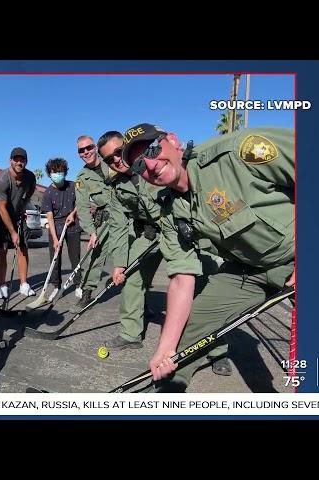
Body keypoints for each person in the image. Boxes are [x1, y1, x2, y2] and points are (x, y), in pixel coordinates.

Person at [121, 123, 295, 391]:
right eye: (140, 165)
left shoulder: (237, 151)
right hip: (247, 270)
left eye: (153, 149)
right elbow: (182, 278)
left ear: (173, 140)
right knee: (184, 339)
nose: (151, 165)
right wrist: (165, 350)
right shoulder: (169, 212)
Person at [98, 131, 165, 350]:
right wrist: (119, 265)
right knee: (131, 276)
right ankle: (130, 334)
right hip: (149, 235)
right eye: (109, 159)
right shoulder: (117, 187)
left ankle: (216, 348)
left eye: (118, 152)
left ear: (127, 146)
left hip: (181, 230)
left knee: (202, 281)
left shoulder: (157, 159)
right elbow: (117, 227)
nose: (116, 159)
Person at [72, 135, 114, 313]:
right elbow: (82, 207)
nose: (86, 152)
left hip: (127, 217)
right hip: (105, 220)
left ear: (95, 147)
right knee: (94, 256)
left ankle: (141, 301)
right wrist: (92, 232)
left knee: (131, 258)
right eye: (81, 150)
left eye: (88, 148)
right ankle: (87, 292)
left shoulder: (112, 160)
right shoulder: (82, 178)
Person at [0, 147, 37, 299]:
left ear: (26, 161)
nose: (19, 162)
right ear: (10, 160)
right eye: (16, 159)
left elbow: (28, 193)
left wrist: (22, 206)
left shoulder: (30, 177)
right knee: (2, 250)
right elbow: (2, 209)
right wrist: (12, 232)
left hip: (17, 215)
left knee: (23, 248)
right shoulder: (2, 179)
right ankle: (2, 286)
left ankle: (23, 284)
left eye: (22, 159)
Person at [41, 158, 80, 301]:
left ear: (65, 172)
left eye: (60, 171)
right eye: (54, 172)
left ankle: (78, 285)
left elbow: (80, 202)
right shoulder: (48, 193)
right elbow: (49, 218)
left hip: (73, 226)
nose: (57, 174)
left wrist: (73, 213)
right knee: (55, 260)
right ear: (49, 174)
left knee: (75, 257)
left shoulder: (73, 186)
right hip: (56, 228)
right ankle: (56, 286)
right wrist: (55, 239)